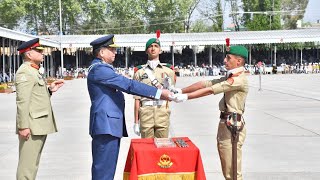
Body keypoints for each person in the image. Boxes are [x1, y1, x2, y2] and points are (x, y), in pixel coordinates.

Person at [87, 34, 173, 180]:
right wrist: (159, 93)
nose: (115, 53)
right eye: (111, 50)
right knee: (103, 171)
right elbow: (128, 85)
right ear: (102, 52)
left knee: (107, 169)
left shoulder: (102, 68)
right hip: (105, 125)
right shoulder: (100, 69)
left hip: (109, 126)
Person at [173, 45, 249, 180]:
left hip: (233, 127)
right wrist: (181, 91)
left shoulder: (238, 79)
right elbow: (206, 84)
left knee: (233, 172)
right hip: (226, 124)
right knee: (227, 168)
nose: (225, 60)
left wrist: (186, 97)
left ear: (238, 61)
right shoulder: (231, 75)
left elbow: (211, 90)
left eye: (228, 58)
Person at [15, 38, 64, 180]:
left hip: (38, 124)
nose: (42, 53)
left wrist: (50, 90)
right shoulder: (25, 72)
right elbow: (22, 102)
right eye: (39, 51)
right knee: (27, 168)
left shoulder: (33, 71)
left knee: (33, 164)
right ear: (29, 54)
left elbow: (35, 97)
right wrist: (23, 126)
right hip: (31, 126)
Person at [133, 37, 176, 138]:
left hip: (162, 113)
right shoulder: (139, 72)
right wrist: (136, 122)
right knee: (147, 148)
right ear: (146, 50)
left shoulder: (169, 71)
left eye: (156, 46)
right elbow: (137, 100)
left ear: (160, 50)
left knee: (163, 148)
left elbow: (172, 96)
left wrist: (169, 88)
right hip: (145, 113)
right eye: (150, 46)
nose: (153, 48)